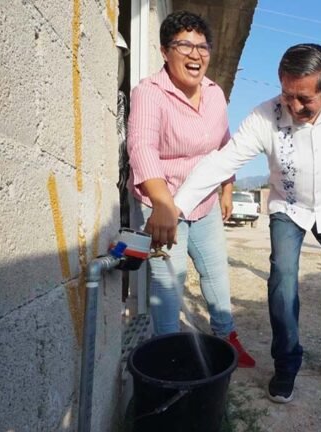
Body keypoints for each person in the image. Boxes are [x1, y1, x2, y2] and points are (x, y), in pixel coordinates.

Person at [167, 43, 321, 403]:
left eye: (304, 99)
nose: (293, 107)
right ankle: (287, 364)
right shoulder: (265, 116)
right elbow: (222, 162)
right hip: (288, 206)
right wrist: (175, 207)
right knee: (282, 282)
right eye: (286, 94)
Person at [126, 10, 254, 367]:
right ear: (166, 51)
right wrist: (163, 204)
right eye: (185, 45)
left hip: (204, 202)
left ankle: (227, 337)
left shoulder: (215, 93)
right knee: (168, 286)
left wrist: (227, 188)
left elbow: (225, 145)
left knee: (216, 275)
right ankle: (168, 355)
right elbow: (142, 147)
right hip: (163, 204)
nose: (196, 54)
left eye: (203, 46)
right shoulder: (150, 92)